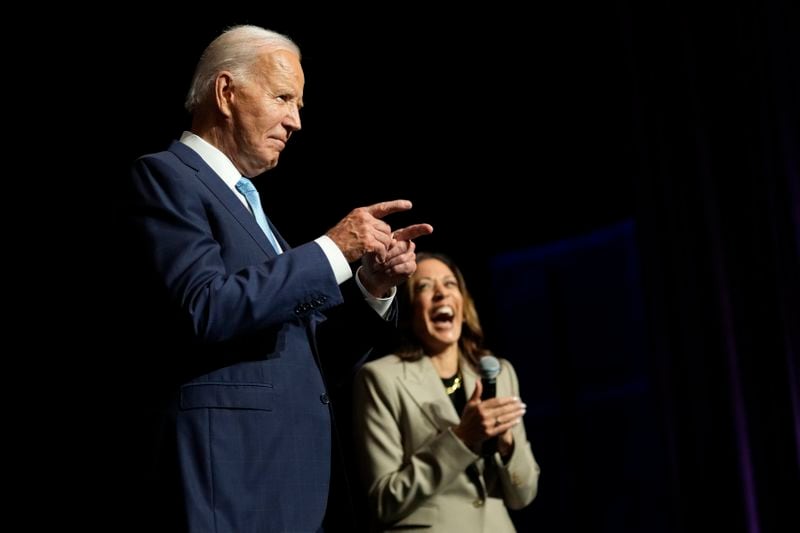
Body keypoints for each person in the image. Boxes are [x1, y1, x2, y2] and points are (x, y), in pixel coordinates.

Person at [124, 25, 432, 532]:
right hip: (228, 480)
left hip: (289, 485)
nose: (295, 121)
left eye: (300, 105)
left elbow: (309, 353)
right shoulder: (164, 177)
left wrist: (370, 287)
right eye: (283, 97)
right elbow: (205, 307)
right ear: (226, 93)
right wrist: (332, 248)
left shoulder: (253, 208)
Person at [352, 252, 540, 532]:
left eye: (450, 284)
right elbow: (384, 502)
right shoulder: (380, 379)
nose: (441, 294)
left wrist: (506, 444)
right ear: (410, 307)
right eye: (425, 286)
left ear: (463, 304)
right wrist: (462, 437)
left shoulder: (499, 372)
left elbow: (523, 495)